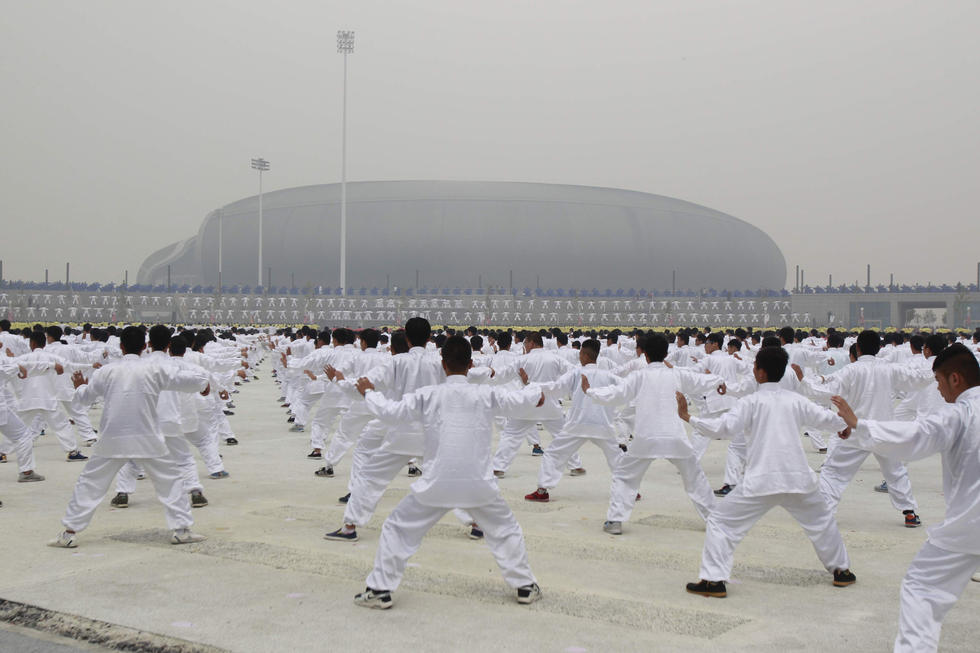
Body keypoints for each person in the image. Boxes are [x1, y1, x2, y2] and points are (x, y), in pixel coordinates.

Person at [351, 335, 543, 609]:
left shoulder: (428, 395)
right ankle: (524, 585)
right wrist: (537, 394)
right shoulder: (484, 393)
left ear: (443, 364)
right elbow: (518, 400)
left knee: (397, 528)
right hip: (478, 482)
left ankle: (380, 590)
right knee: (504, 529)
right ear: (471, 364)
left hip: (436, 481)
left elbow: (391, 413)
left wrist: (369, 392)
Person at [833, 343, 980, 653]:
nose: (939, 390)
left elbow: (917, 436)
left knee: (922, 587)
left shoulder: (961, 414)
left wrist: (860, 425)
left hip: (969, 524)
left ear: (955, 379)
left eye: (940, 382)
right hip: (969, 525)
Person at [678, 346, 856, 598]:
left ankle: (714, 581)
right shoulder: (796, 400)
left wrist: (689, 418)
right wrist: (843, 425)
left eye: (754, 367)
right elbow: (826, 419)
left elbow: (722, 428)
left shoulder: (750, 402)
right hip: (798, 479)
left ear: (759, 373)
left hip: (761, 481)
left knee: (720, 522)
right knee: (822, 521)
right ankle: (842, 571)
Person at [48, 326, 211, 548]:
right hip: (148, 437)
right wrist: (203, 384)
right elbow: (185, 380)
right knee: (170, 481)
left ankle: (68, 533)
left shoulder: (106, 371)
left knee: (90, 483)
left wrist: (79, 387)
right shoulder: (153, 370)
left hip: (112, 437)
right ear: (145, 346)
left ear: (121, 347)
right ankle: (182, 530)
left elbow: (84, 399)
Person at [583, 335, 723, 533]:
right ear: (666, 354)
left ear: (644, 354)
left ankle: (615, 521)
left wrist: (590, 392)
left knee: (624, 476)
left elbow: (616, 393)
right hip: (675, 436)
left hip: (645, 437)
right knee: (695, 478)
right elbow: (700, 381)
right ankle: (714, 520)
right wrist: (719, 381)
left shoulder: (639, 376)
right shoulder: (676, 374)